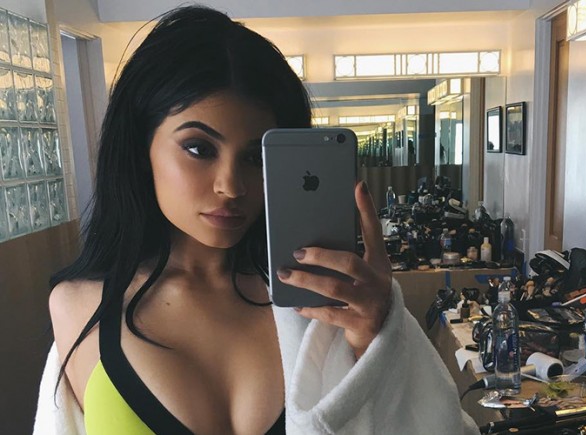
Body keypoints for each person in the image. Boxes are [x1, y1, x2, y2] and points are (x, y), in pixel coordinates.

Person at [33, 6, 478, 435]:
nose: (231, 186)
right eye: (199, 148)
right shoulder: (78, 307)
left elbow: (432, 424)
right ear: (139, 146)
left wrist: (375, 345)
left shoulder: (329, 300)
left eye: (255, 157)